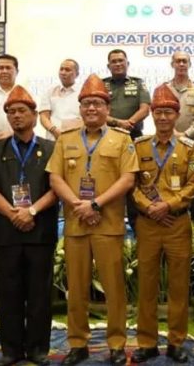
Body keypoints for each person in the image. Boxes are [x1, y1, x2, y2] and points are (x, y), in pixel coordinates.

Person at [48, 74, 138, 366]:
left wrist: (96, 203)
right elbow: (55, 177)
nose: (91, 109)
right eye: (86, 104)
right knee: (76, 289)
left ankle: (116, 344)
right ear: (80, 107)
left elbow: (128, 179)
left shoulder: (122, 140)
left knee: (114, 289)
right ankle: (78, 343)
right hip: (76, 224)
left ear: (106, 108)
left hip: (108, 225)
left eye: (97, 104)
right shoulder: (66, 139)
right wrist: (77, 204)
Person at [0, 86, 58, 366]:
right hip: (7, 232)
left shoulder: (51, 148)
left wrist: (32, 210)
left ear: (35, 115)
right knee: (9, 293)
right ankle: (10, 350)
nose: (15, 116)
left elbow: (57, 187)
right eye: (11, 112)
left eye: (21, 111)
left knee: (39, 293)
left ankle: (38, 349)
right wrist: (14, 213)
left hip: (40, 230)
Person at [130, 84, 194, 364]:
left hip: (177, 224)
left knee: (178, 286)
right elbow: (131, 184)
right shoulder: (139, 146)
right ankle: (146, 343)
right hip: (148, 224)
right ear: (152, 115)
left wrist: (168, 205)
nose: (162, 117)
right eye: (158, 112)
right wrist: (150, 207)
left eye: (168, 112)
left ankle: (176, 342)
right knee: (146, 285)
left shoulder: (188, 148)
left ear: (176, 115)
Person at [165, 51, 194, 223]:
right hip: (169, 146)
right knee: (172, 182)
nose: (181, 64)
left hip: (193, 147)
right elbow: (158, 113)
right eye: (178, 61)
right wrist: (172, 133)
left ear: (189, 64)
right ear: (172, 64)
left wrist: (186, 134)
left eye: (184, 61)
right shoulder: (164, 89)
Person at [103, 49, 150, 140]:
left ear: (127, 63)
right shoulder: (101, 84)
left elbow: (145, 109)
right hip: (106, 134)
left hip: (133, 134)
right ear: (108, 66)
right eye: (114, 61)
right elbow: (98, 113)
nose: (118, 64)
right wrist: (118, 123)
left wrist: (129, 123)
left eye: (121, 60)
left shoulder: (138, 83)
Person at [40, 59, 82, 140]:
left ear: (77, 74)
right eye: (61, 69)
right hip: (53, 138)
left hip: (76, 139)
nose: (63, 72)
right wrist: (54, 130)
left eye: (67, 70)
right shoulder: (50, 92)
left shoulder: (82, 92)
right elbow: (44, 117)